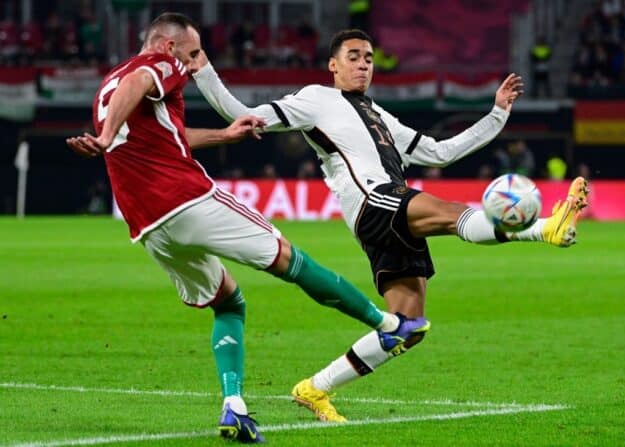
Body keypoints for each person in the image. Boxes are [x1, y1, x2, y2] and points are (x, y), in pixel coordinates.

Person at [192, 28, 590, 422]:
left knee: (408, 326)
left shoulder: (380, 115)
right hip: (373, 201)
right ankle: (543, 229)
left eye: (368, 58)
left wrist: (497, 113)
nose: (363, 64)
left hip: (389, 211)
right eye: (353, 57)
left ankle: (315, 388)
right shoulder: (315, 99)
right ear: (333, 65)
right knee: (449, 213)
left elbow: (441, 152)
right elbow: (239, 112)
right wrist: (204, 69)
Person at [66, 16, 426, 443]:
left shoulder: (107, 85)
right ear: (168, 46)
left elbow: (170, 137)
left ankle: (233, 408)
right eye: (193, 54)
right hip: (187, 199)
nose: (195, 64)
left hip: (147, 224)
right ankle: (387, 324)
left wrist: (225, 135)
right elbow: (142, 79)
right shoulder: (158, 64)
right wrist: (105, 137)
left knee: (229, 303)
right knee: (289, 259)